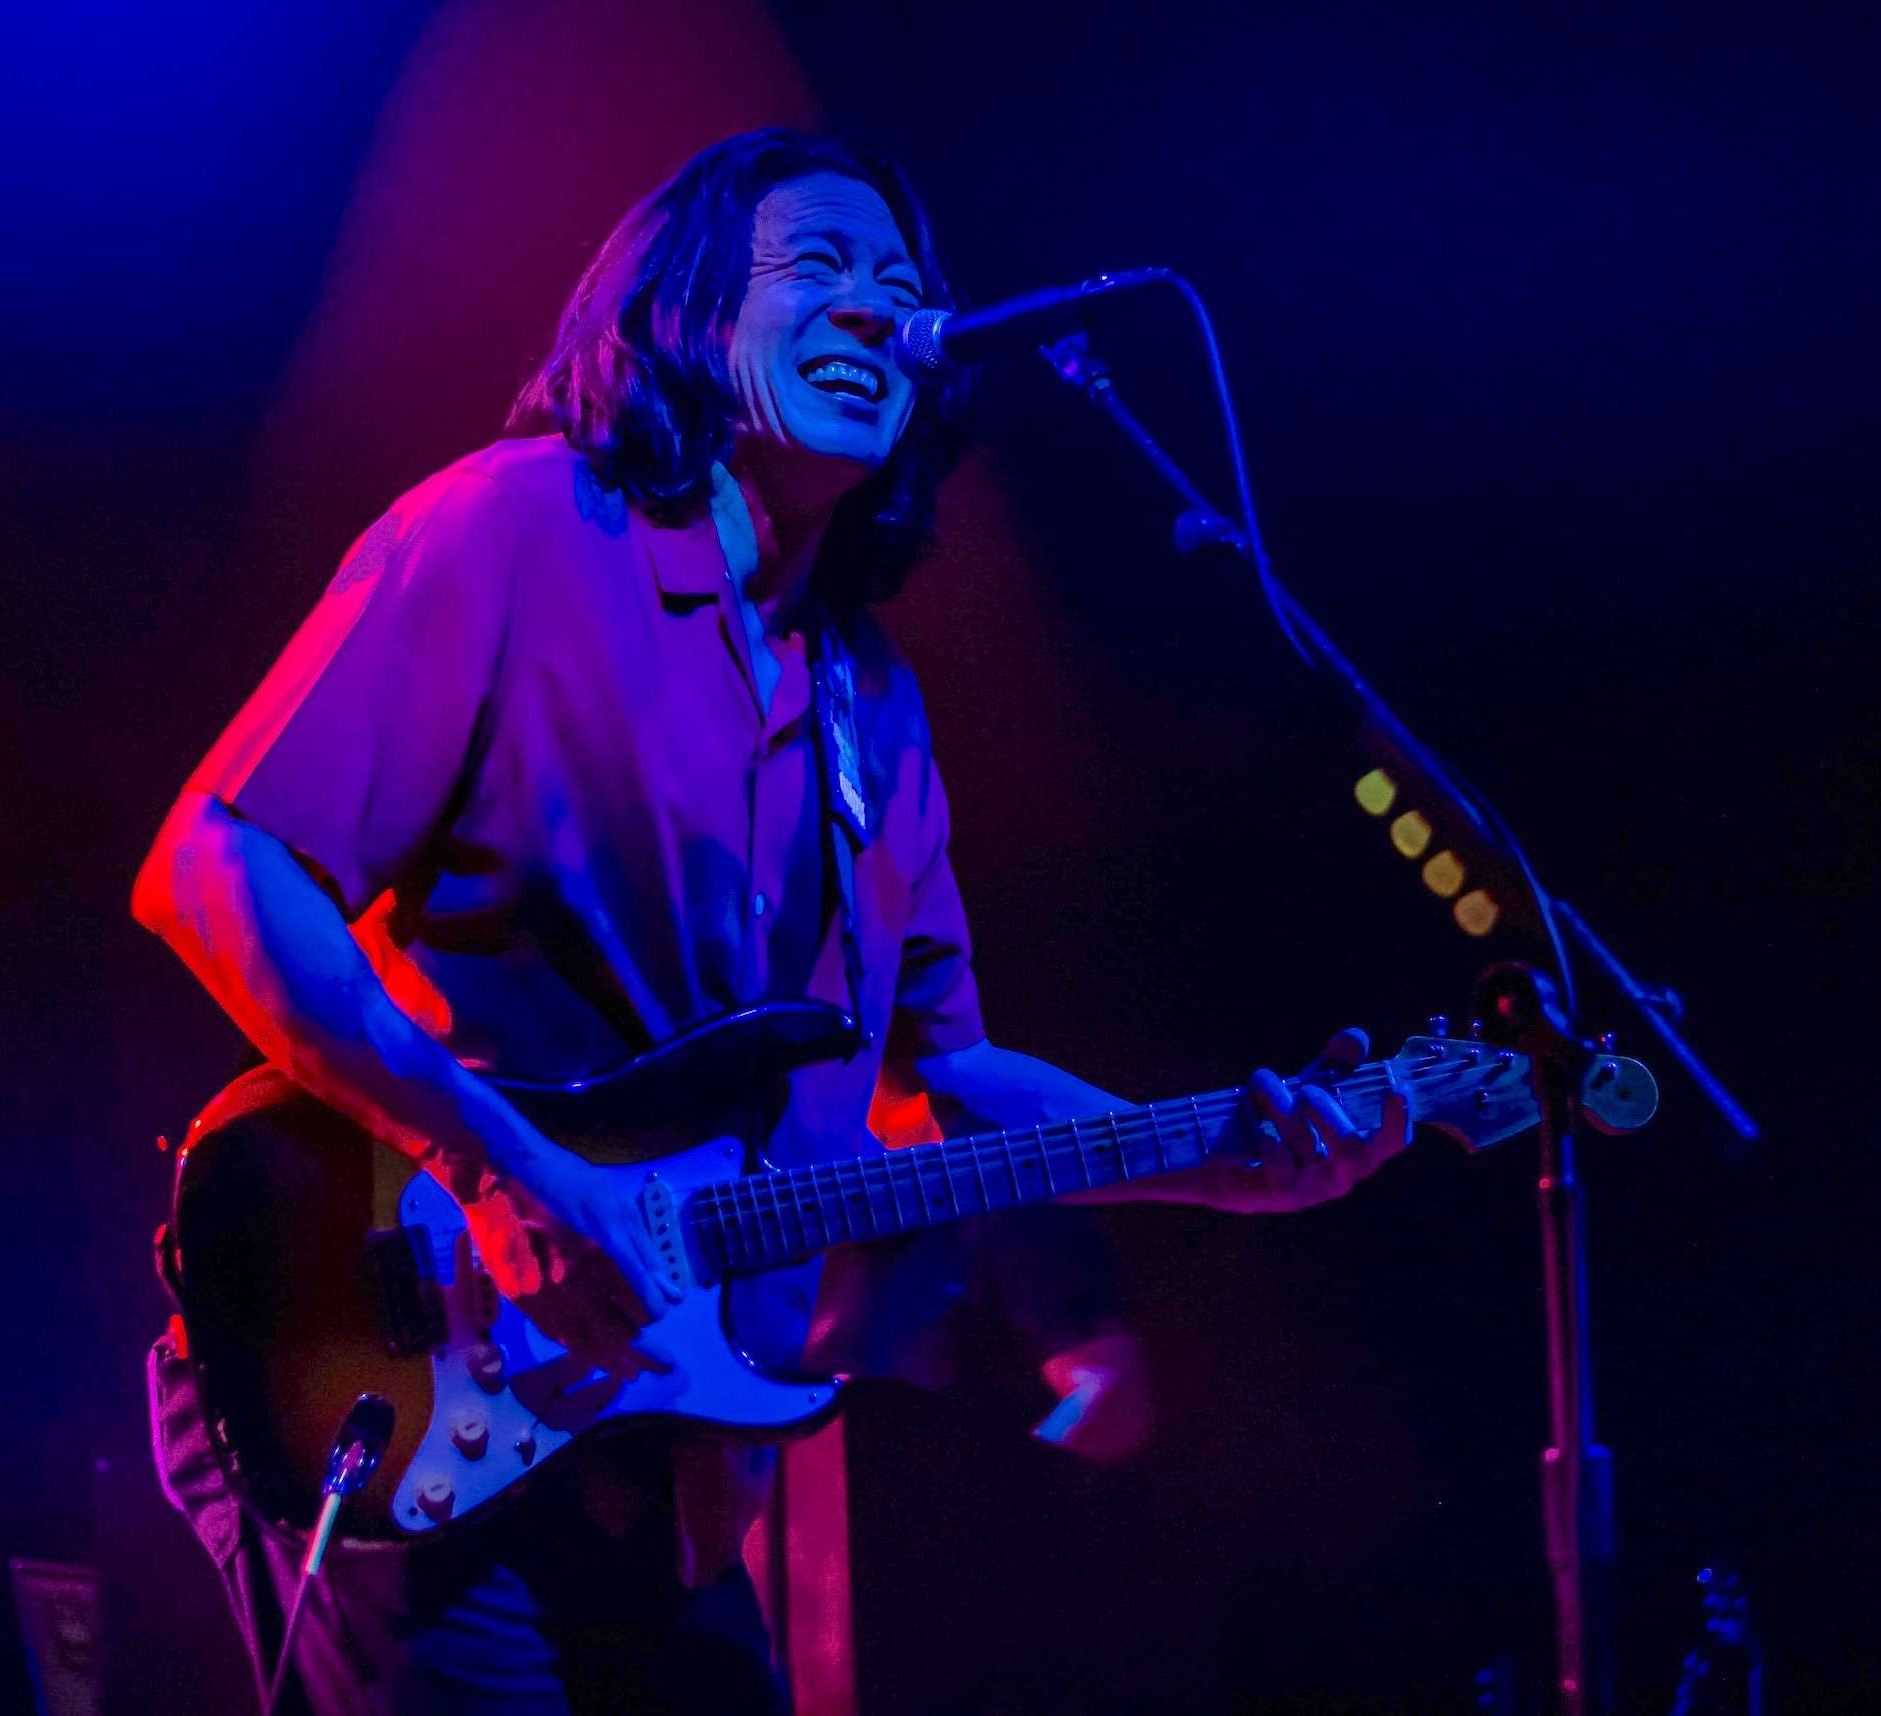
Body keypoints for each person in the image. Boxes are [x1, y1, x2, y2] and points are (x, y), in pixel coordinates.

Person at [132, 127, 1408, 1716]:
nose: (882, 310)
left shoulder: (871, 701)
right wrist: (503, 1168)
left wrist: (1208, 1158)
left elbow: (946, 1080)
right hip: (394, 1372)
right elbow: (213, 866)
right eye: (823, 268)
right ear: (682, 308)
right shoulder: (520, 530)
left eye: (904, 284)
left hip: (669, 1464)